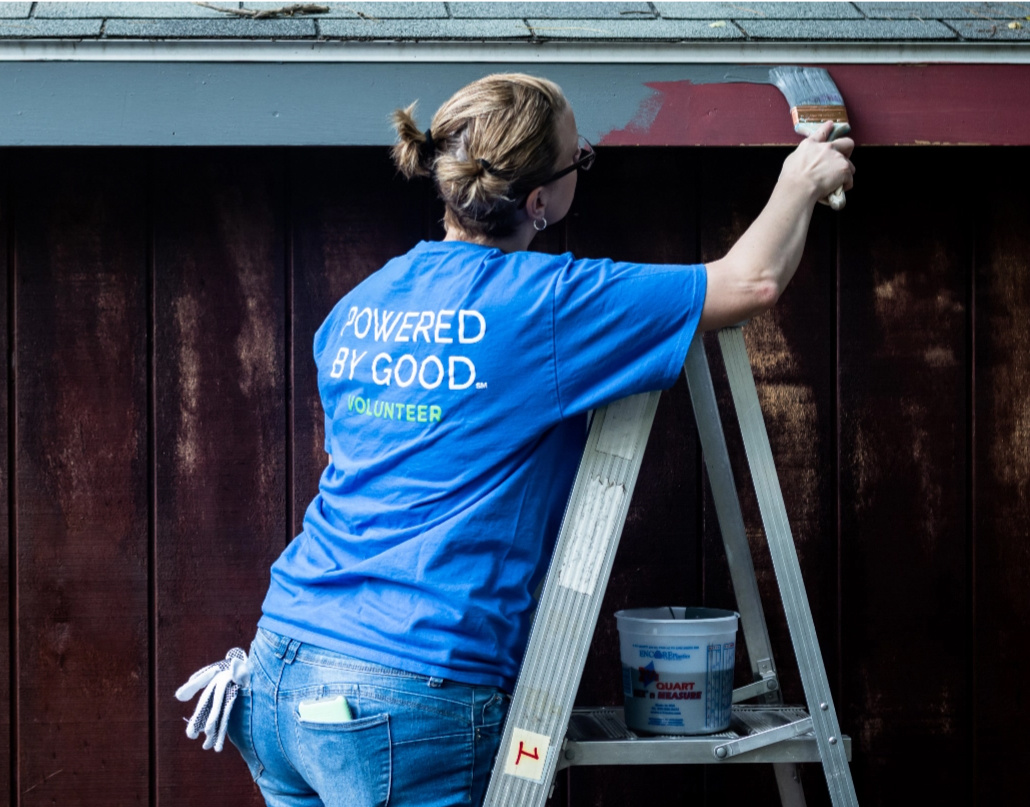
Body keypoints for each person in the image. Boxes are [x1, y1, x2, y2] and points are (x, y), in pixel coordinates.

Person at [204, 73, 854, 807]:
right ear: (539, 202)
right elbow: (751, 282)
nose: (585, 161)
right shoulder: (547, 303)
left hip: (280, 669)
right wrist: (801, 179)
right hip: (409, 691)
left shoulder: (363, 303)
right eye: (580, 158)